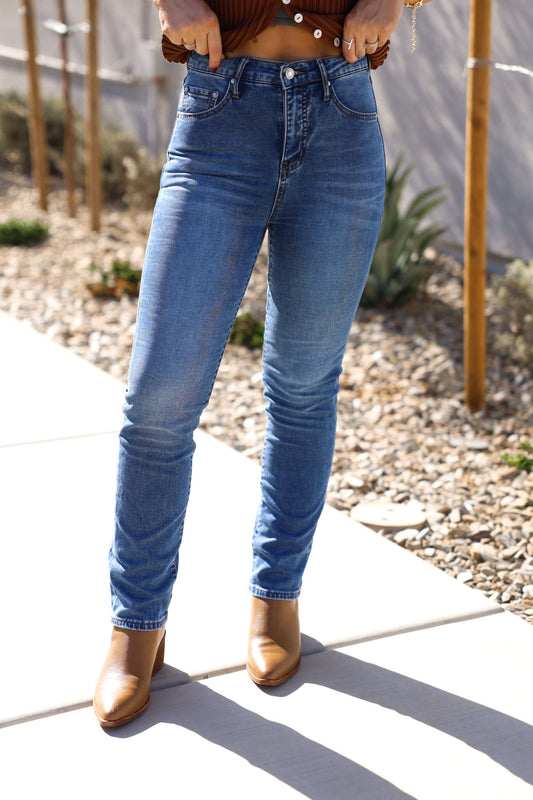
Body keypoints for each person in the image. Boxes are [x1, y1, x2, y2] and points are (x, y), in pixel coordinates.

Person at [93, 0, 433, 728]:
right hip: (221, 115)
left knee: (304, 385)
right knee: (159, 397)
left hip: (341, 113)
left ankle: (277, 594)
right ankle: (136, 625)